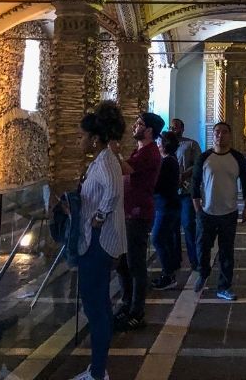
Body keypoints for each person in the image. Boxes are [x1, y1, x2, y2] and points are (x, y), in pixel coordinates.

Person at [69, 101, 126, 380]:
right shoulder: (103, 160)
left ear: (93, 138)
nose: (78, 140)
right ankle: (96, 368)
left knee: (96, 307)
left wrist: (99, 217)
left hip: (98, 242)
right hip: (97, 240)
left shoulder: (104, 160)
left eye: (81, 136)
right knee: (98, 305)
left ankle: (97, 372)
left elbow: (113, 192)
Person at [112, 111, 163, 330]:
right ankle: (126, 303)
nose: (135, 127)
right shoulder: (140, 150)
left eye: (139, 124)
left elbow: (125, 169)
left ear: (149, 130)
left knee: (135, 264)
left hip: (138, 214)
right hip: (127, 213)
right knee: (123, 264)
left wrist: (112, 152)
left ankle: (137, 311)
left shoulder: (150, 152)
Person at [192, 121, 246, 300]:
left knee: (227, 251)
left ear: (230, 135)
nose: (220, 135)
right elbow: (195, 184)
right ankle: (203, 273)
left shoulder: (237, 158)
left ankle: (224, 286)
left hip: (228, 212)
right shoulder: (204, 157)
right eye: (217, 132)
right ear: (213, 134)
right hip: (207, 211)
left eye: (224, 132)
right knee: (202, 247)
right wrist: (197, 209)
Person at [170, 118, 202, 271]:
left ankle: (195, 260)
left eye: (176, 127)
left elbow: (198, 164)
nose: (173, 130)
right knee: (172, 227)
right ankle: (175, 260)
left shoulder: (191, 144)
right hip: (170, 192)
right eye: (171, 127)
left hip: (186, 190)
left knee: (188, 224)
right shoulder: (166, 145)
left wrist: (183, 175)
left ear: (182, 129)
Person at [151, 131, 181, 290]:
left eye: (158, 141)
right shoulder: (168, 160)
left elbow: (158, 184)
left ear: (164, 145)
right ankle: (170, 271)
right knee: (166, 239)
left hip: (166, 206)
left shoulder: (167, 162)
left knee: (157, 238)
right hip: (168, 204)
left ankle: (168, 274)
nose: (157, 144)